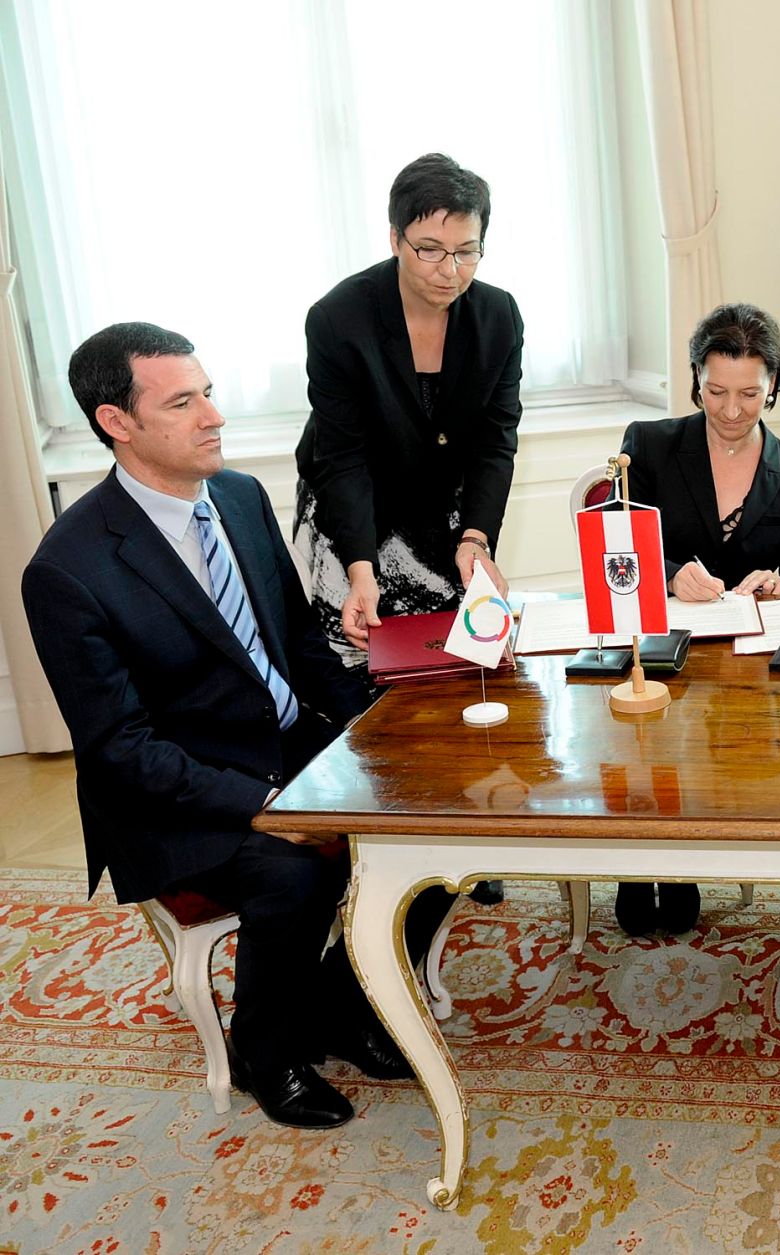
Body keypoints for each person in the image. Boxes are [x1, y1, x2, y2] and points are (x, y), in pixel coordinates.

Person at [23, 324, 447, 1129]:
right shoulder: (68, 570)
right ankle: (266, 1051)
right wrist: (269, 806)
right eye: (183, 402)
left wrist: (381, 726)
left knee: (443, 809)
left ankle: (340, 1005)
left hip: (281, 743)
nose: (214, 415)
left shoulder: (241, 497)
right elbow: (121, 751)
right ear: (117, 421)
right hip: (177, 789)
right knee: (295, 871)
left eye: (209, 393)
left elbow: (298, 645)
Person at [294, 151, 522, 906]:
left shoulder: (499, 316)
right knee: (365, 678)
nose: (449, 271)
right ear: (394, 238)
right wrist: (360, 565)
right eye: (429, 250)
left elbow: (495, 439)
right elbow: (342, 456)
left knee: (461, 667)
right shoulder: (339, 318)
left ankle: (471, 834)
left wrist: (475, 537)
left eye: (467, 251)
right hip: (352, 503)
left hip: (445, 509)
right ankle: (387, 845)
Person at [614, 303, 780, 935]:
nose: (731, 410)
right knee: (642, 735)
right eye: (716, 391)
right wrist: (668, 571)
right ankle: (638, 857)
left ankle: (687, 858)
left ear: (774, 386)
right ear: (695, 381)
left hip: (748, 673)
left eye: (749, 394)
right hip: (661, 650)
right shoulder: (648, 446)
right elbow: (616, 547)